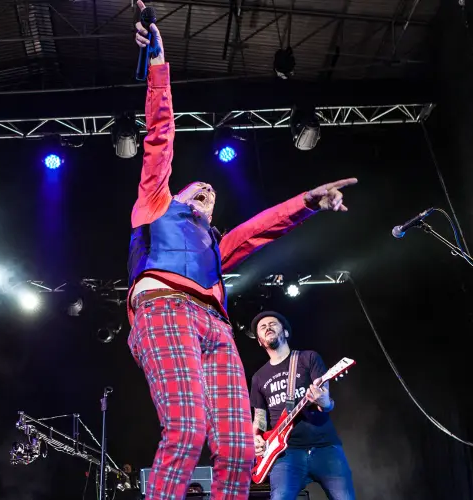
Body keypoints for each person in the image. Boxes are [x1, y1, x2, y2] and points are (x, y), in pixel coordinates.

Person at [127, 3, 357, 499]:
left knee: (237, 450)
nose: (207, 192)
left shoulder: (215, 244)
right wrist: (159, 65)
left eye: (212, 195)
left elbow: (260, 229)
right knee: (187, 429)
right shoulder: (155, 205)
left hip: (216, 327)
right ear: (177, 195)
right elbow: (160, 138)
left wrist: (308, 201)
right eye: (199, 190)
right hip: (166, 309)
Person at [249, 311, 355, 500]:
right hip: (286, 454)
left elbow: (326, 402)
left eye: (273, 323)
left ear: (286, 332)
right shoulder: (258, 377)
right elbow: (260, 418)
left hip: (325, 447)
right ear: (259, 341)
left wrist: (324, 402)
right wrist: (256, 438)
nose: (267, 327)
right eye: (262, 327)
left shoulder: (308, 358)